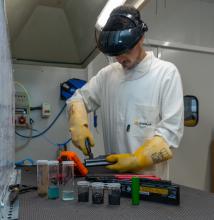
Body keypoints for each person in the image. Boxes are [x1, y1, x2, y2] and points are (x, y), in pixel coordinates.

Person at [67, 5, 184, 179]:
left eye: (126, 51)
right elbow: (78, 99)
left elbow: (171, 134)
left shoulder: (166, 74)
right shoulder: (108, 75)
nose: (121, 59)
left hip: (149, 182)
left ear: (141, 38)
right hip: (113, 178)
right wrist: (78, 123)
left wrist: (135, 160)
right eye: (116, 54)